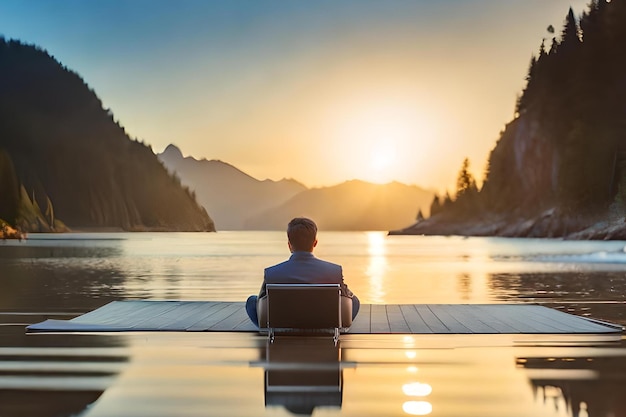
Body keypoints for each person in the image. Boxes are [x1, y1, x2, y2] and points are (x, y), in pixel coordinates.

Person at [246, 217, 360, 328]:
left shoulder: (271, 273)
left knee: (252, 301)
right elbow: (347, 297)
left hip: (283, 323)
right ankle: (335, 329)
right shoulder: (334, 271)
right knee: (354, 300)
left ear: (289, 245)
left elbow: (260, 302)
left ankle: (269, 330)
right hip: (323, 324)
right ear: (315, 243)